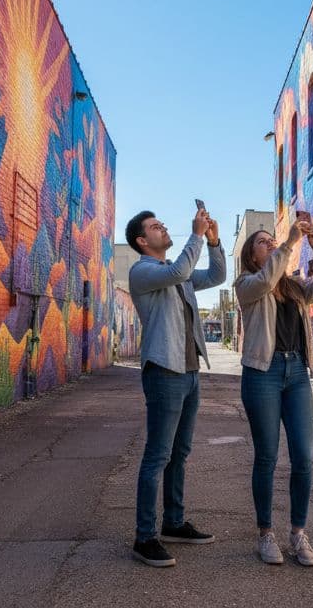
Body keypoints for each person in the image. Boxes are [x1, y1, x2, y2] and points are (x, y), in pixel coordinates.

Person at [126, 207, 226, 567]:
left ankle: (173, 522)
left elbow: (217, 275)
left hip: (189, 372)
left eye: (161, 224)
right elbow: (180, 269)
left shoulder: (175, 274)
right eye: (155, 226)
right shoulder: (143, 271)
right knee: (158, 455)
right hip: (164, 372)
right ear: (142, 240)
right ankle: (144, 537)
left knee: (179, 453)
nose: (162, 227)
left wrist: (214, 242)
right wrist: (196, 234)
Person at [234, 214, 313, 566]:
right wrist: (290, 242)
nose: (270, 243)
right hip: (263, 372)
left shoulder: (292, 286)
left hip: (297, 374)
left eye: (270, 240)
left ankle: (298, 534)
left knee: (304, 458)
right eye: (263, 242)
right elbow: (264, 283)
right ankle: (265, 534)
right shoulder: (246, 284)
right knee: (267, 456)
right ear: (251, 255)